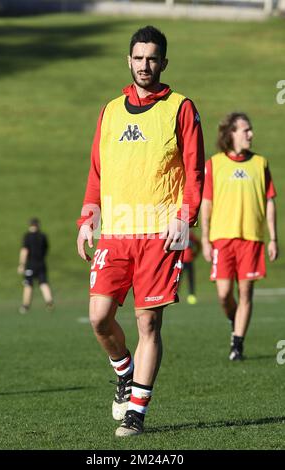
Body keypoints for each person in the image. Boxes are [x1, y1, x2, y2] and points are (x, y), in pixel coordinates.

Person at [77, 26, 205, 437]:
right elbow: (97, 171)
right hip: (115, 232)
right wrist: (87, 220)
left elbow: (195, 170)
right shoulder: (109, 111)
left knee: (148, 325)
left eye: (152, 58)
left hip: (158, 233)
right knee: (99, 318)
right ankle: (124, 371)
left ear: (164, 63)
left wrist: (184, 217)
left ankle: (136, 411)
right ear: (128, 60)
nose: (144, 64)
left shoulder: (182, 108)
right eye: (138, 57)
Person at [201, 112, 278, 361]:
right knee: (224, 295)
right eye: (245, 130)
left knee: (246, 293)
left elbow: (269, 202)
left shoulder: (260, 163)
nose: (251, 134)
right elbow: (207, 203)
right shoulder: (214, 164)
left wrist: (273, 238)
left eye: (250, 129)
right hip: (222, 238)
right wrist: (204, 238)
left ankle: (237, 344)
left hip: (252, 238)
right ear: (230, 134)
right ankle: (236, 321)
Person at [17, 218, 54, 314]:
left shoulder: (27, 236)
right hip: (41, 263)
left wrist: (21, 264)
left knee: (28, 284)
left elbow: (24, 251)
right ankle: (49, 302)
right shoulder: (43, 236)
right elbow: (46, 249)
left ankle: (25, 305)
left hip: (30, 264)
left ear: (30, 225)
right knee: (43, 283)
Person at [183, 229, 201, 305]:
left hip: (189, 260)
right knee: (177, 280)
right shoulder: (177, 234)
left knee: (191, 278)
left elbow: (198, 244)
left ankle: (191, 294)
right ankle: (173, 295)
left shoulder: (190, 235)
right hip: (180, 261)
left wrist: (195, 253)